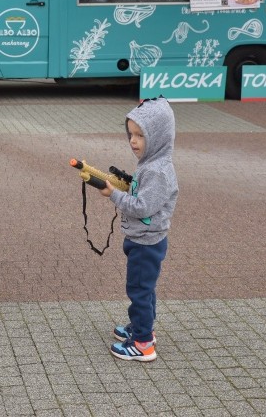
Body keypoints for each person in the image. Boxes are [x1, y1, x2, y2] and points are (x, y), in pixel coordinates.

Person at [98, 96, 178, 362]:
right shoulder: (150, 165)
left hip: (146, 243)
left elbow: (143, 206)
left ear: (158, 137)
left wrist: (114, 195)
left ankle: (143, 344)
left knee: (139, 291)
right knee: (145, 289)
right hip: (143, 239)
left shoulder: (157, 171)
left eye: (140, 135)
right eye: (130, 134)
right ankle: (144, 329)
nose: (133, 141)